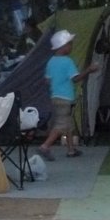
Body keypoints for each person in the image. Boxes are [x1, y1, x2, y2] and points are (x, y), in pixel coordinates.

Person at [36, 29, 98, 160]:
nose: (71, 46)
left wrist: (57, 83)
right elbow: (75, 78)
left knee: (68, 123)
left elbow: (47, 80)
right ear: (63, 46)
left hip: (55, 96)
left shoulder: (51, 61)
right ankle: (45, 146)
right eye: (70, 44)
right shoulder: (67, 61)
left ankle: (71, 150)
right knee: (62, 124)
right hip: (65, 97)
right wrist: (89, 70)